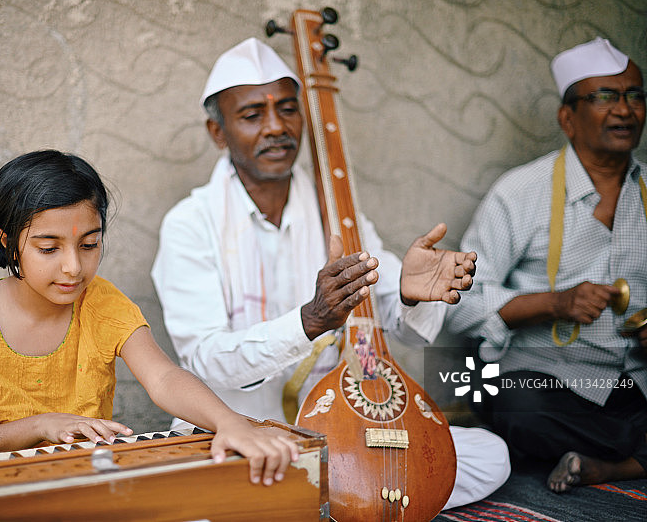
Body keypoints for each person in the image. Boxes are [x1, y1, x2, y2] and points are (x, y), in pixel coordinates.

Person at [151, 37, 510, 510]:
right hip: (241, 433)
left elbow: (390, 316)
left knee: (491, 455)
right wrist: (308, 321)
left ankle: (338, 502)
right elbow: (205, 361)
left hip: (344, 427)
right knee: (182, 496)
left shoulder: (336, 209)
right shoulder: (190, 224)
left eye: (286, 109)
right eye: (253, 115)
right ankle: (347, 503)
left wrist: (405, 293)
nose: (276, 127)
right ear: (218, 133)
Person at [0, 149, 300, 487]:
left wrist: (228, 421)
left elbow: (164, 377)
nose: (73, 267)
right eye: (49, 248)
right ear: (6, 242)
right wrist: (42, 425)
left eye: (89, 244)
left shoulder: (102, 303)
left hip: (74, 483)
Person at [446, 37, 647, 493]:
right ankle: (634, 456)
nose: (624, 110)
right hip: (550, 383)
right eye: (605, 96)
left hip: (635, 384)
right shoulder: (519, 193)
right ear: (567, 118)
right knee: (517, 407)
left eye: (635, 95)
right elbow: (460, 305)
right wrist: (554, 303)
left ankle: (609, 466)